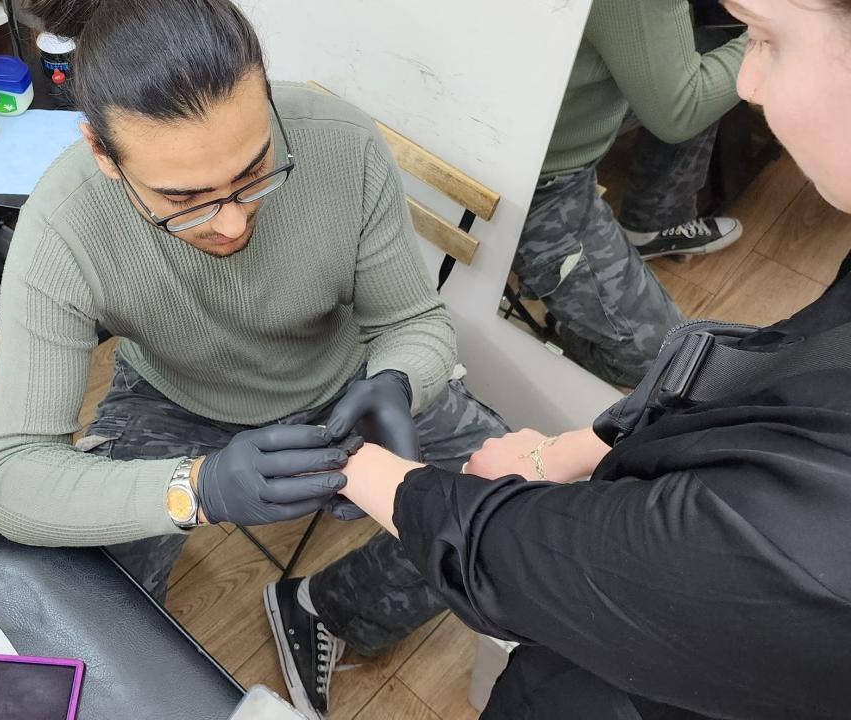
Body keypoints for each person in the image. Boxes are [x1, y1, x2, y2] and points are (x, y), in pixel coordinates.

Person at [0, 1, 508, 718]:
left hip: (343, 380)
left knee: (505, 514)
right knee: (85, 590)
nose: (232, 222)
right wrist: (197, 489)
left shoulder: (341, 146)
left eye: (255, 170)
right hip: (176, 397)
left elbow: (412, 321)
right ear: (103, 154)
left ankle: (327, 611)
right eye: (183, 198)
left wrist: (399, 381)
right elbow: (13, 478)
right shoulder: (64, 226)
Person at [338, 0, 851, 716]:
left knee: (475, 460)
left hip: (595, 659)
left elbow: (517, 556)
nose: (747, 81)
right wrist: (575, 449)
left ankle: (331, 610)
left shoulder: (797, 535)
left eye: (764, 39)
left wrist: (350, 464)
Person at [513, 0, 748, 388]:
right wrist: (775, 39)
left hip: (538, 103)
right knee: (663, 359)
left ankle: (655, 223)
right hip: (532, 176)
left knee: (706, 51)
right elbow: (681, 112)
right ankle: (570, 320)